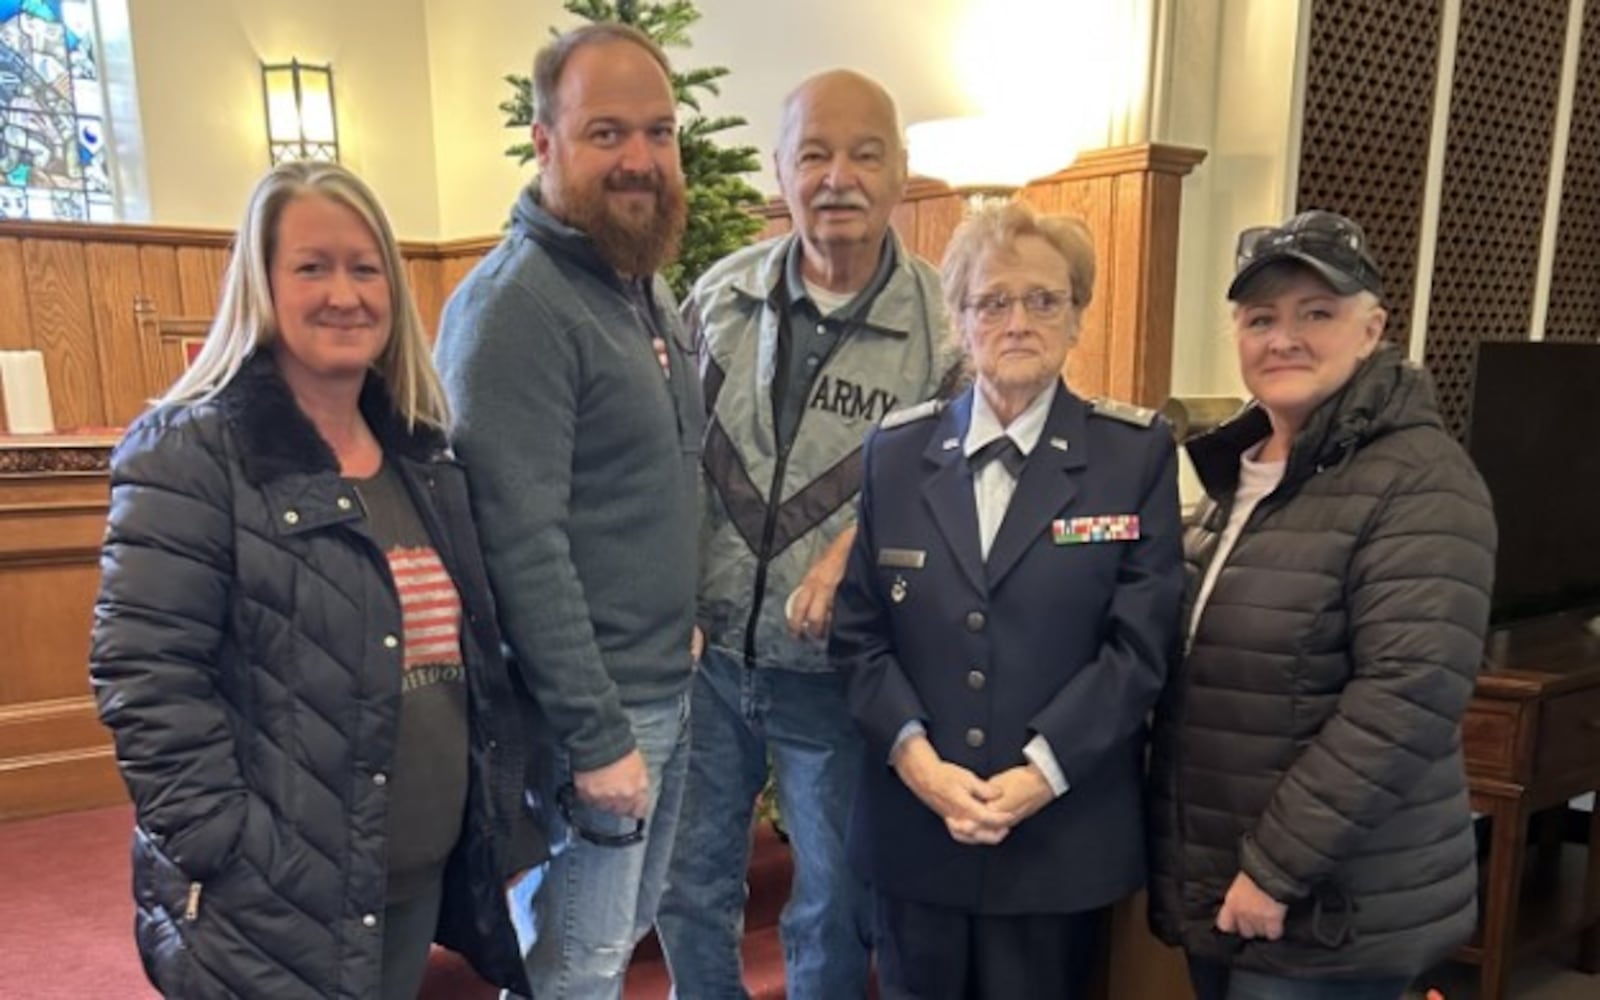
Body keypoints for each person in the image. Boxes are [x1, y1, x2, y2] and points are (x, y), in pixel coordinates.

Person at [89, 160, 544, 1000]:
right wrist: (225, 847)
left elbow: (469, 663)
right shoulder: (190, 452)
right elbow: (145, 675)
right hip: (275, 897)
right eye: (311, 267)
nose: (345, 294)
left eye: (365, 268)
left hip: (410, 876)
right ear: (261, 286)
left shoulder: (422, 454)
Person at [829, 200, 1184, 999]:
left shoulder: (1132, 456)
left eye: (1043, 300)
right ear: (959, 320)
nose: (1017, 321)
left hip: (1058, 839)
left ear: (1077, 316)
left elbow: (1139, 648)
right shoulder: (897, 453)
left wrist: (1038, 775)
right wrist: (920, 765)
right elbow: (859, 637)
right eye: (991, 301)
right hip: (918, 833)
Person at [655, 68, 953, 1000]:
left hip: (836, 674)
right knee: (689, 886)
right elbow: (665, 454)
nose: (838, 178)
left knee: (833, 902)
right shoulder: (718, 298)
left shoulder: (943, 329)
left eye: (864, 155)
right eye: (814, 154)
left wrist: (852, 551)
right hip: (704, 660)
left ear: (900, 170)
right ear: (780, 171)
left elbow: (954, 491)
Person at [1146, 210, 1496, 1000]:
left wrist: (1275, 871)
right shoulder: (1239, 477)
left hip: (1328, 910)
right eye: (1261, 318)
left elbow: (1404, 701)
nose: (1285, 339)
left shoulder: (1422, 481)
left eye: (1316, 314)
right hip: (1227, 891)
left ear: (1371, 329)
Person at [432, 22, 702, 1000]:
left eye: (659, 132)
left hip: (659, 684)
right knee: (577, 964)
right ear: (545, 143)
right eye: (606, 133)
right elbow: (518, 544)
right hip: (594, 708)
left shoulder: (636, 283)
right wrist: (595, 734)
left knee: (607, 935)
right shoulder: (518, 305)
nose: (640, 158)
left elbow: (648, 485)